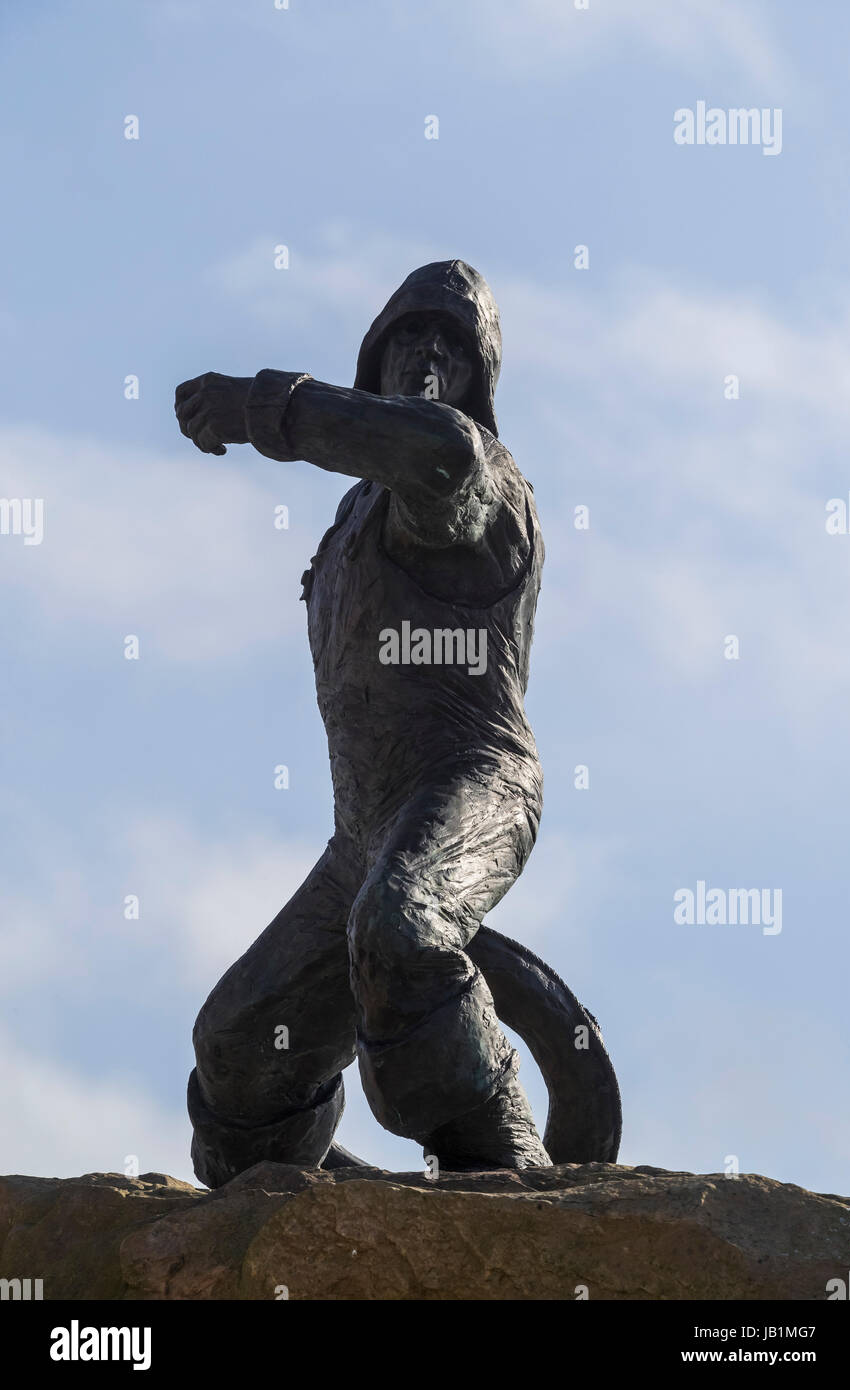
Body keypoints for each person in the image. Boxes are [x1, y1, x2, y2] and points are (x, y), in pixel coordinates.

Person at [175, 260, 553, 1186]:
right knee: (234, 1046)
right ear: (376, 356)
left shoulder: (471, 471)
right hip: (364, 829)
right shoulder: (352, 522)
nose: (427, 353)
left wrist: (262, 408)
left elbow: (431, 452)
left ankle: (504, 1159)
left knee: (402, 930)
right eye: (409, 336)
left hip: (473, 782)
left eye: (452, 345)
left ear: (479, 378)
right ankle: (291, 1210)